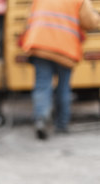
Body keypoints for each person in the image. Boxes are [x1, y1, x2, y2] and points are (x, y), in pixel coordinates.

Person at [21, 0, 100, 140]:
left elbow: (30, 19)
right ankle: (61, 125)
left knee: (42, 85)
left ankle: (41, 119)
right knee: (63, 88)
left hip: (40, 44)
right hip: (65, 48)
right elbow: (90, 22)